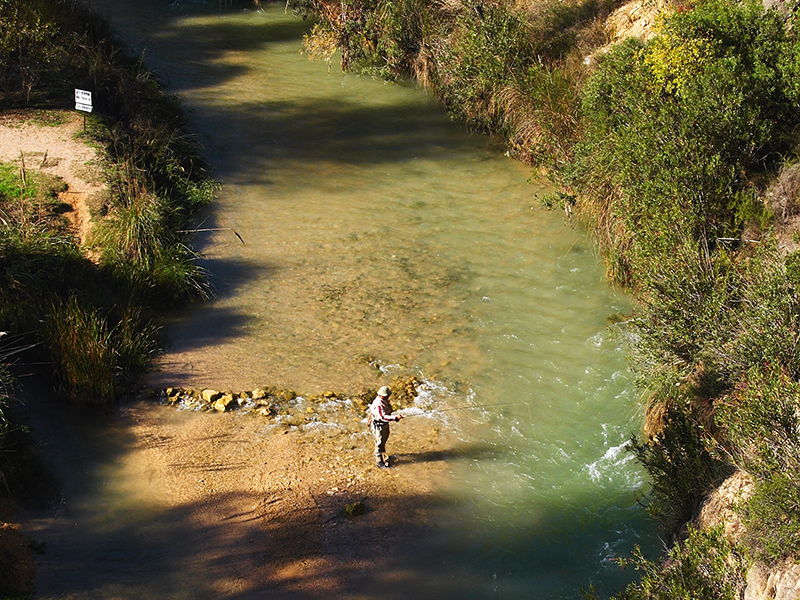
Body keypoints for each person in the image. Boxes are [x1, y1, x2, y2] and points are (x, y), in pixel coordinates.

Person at [368, 386, 402, 468]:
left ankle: (382, 454)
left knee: (384, 439)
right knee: (379, 442)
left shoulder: (385, 401)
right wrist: (394, 418)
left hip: (384, 424)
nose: (387, 397)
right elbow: (382, 417)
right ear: (380, 395)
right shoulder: (378, 405)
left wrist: (394, 419)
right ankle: (379, 461)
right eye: (386, 395)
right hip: (379, 426)